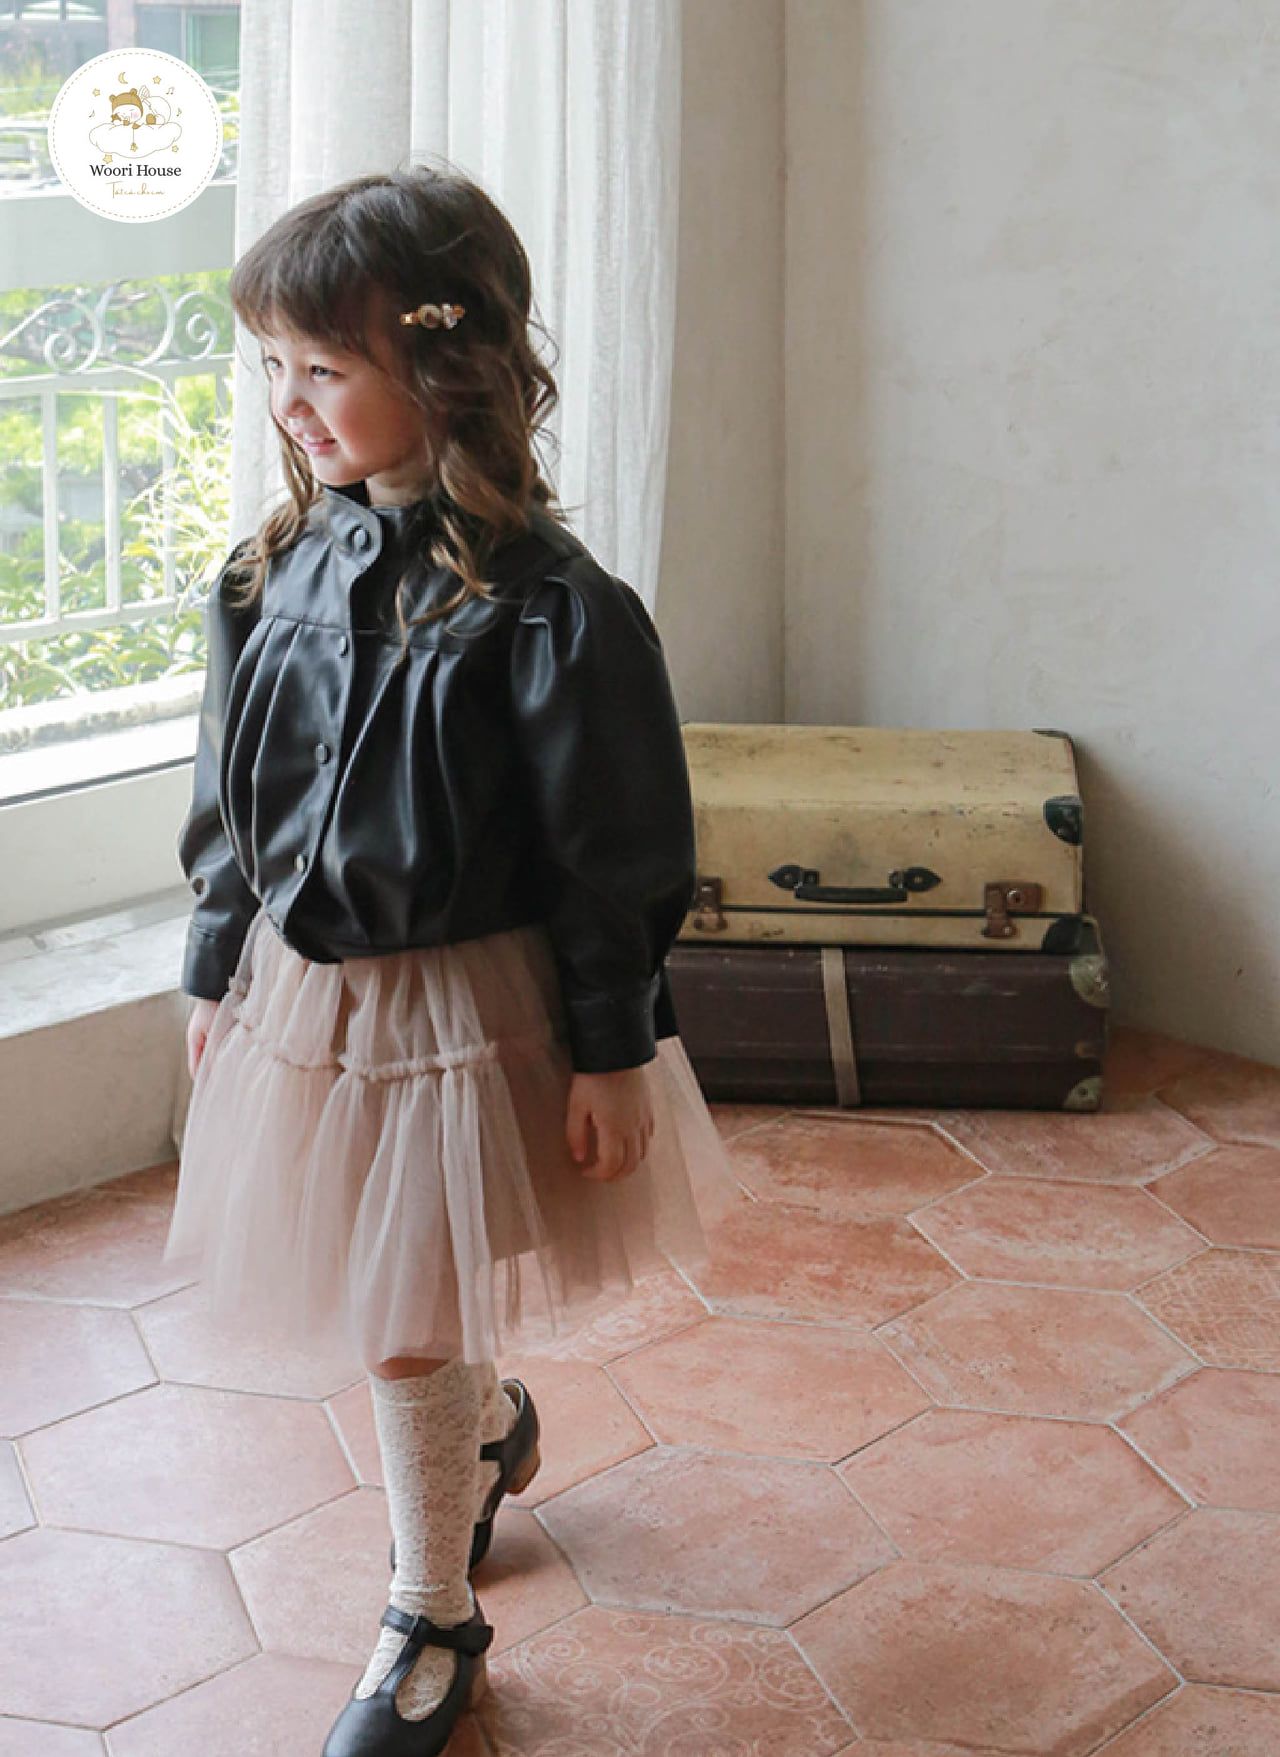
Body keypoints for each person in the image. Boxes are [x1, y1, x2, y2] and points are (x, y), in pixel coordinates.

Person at [163, 161, 744, 1756]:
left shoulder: (554, 607)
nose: (290, 404)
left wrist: (615, 1041)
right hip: (311, 991)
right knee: (400, 1274)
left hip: (466, 1001)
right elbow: (231, 792)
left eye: (325, 367)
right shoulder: (270, 572)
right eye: (273, 367)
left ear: (446, 366)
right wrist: (218, 960)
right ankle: (481, 1427)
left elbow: (612, 843)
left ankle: (431, 1610)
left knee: (400, 1303)